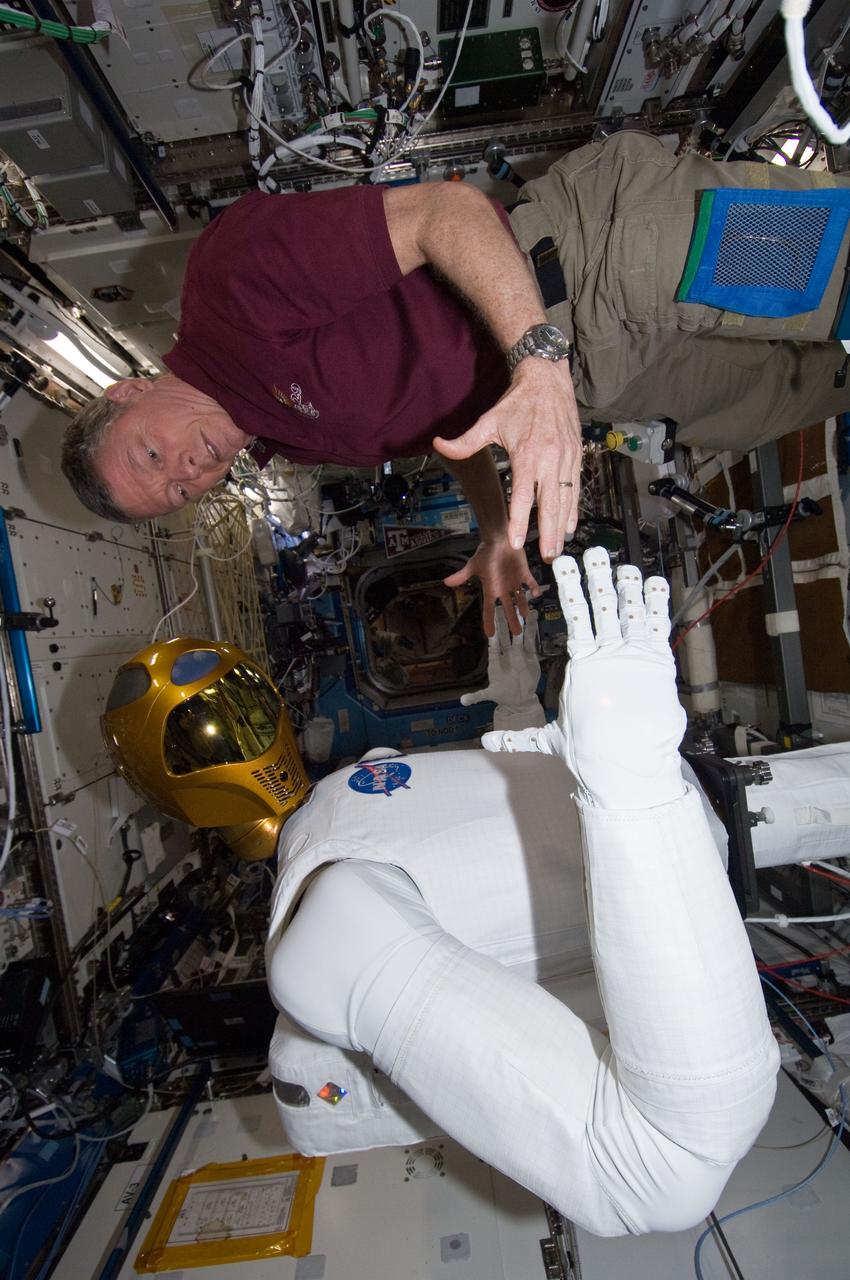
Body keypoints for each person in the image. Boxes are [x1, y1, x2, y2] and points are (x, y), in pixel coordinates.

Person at [61, 131, 850, 633]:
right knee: (803, 392)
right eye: (175, 494)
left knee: (835, 281)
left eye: (151, 458)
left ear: (124, 394)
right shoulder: (282, 437)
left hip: (599, 260)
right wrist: (497, 531)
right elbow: (447, 430)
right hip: (602, 374)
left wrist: (536, 361)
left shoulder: (226, 291)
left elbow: (445, 213)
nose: (187, 474)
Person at [265, 547, 780, 1235]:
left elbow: (670, 1169)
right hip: (697, 834)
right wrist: (609, 770)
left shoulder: (342, 891)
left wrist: (613, 772)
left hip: (688, 821)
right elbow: (650, 1171)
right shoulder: (343, 871)